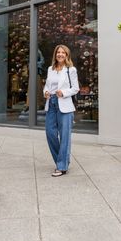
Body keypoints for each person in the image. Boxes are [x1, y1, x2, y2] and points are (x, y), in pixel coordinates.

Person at [43, 44, 79, 177]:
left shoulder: (71, 70)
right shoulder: (50, 69)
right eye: (58, 52)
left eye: (63, 53)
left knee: (64, 136)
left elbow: (75, 88)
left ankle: (62, 166)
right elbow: (47, 85)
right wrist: (45, 92)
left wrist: (63, 92)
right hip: (51, 103)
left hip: (64, 104)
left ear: (67, 55)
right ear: (55, 54)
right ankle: (63, 160)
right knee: (50, 133)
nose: (60, 54)